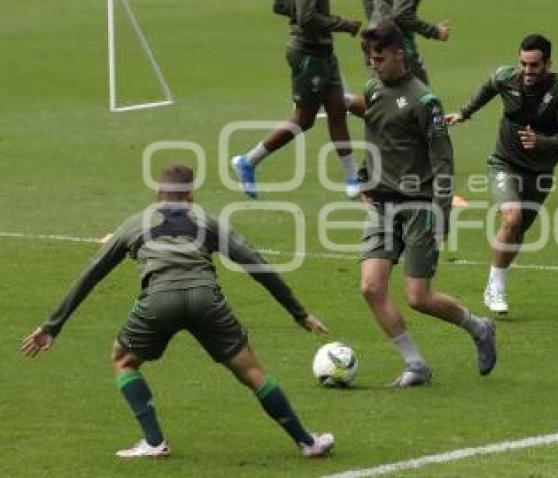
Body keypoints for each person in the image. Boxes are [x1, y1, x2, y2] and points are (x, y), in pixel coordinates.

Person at [20, 164, 335, 459]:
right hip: (205, 298)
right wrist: (299, 313)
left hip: (159, 301)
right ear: (191, 195)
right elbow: (255, 262)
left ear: (158, 194)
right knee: (253, 372)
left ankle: (155, 443)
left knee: (123, 360)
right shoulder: (206, 219)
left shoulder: (134, 222)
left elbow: (92, 272)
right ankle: (307, 442)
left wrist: (52, 326)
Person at [346, 21, 496, 387]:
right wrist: (366, 176)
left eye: (379, 58)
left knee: (418, 296)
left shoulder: (424, 101)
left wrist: (442, 214)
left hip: (420, 208)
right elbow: (378, 136)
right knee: (370, 287)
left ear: (400, 53)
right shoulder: (374, 88)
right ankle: (416, 365)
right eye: (370, 59)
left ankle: (479, 327)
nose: (374, 65)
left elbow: (443, 161)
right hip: (383, 206)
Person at [445, 34, 558, 315]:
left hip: (540, 173)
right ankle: (494, 286)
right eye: (524, 64)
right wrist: (464, 113)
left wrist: (541, 142)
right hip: (504, 163)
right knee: (512, 217)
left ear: (548, 64)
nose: (528, 71)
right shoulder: (506, 77)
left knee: (516, 232)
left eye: (535, 65)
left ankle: (499, 279)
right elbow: (486, 89)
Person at [231, 0, 362, 199]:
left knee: (337, 110)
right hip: (309, 53)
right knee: (304, 118)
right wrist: (344, 24)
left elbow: (279, 5)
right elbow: (305, 17)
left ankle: (353, 177)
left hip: (320, 51)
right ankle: (248, 161)